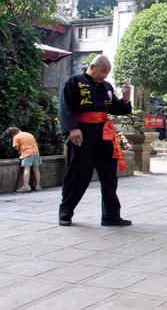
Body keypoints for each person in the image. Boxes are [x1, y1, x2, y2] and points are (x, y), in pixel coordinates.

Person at [57, 55, 133, 227]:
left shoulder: (106, 87)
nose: (105, 76)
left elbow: (116, 108)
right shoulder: (74, 82)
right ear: (92, 66)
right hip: (82, 134)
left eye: (107, 73)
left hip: (104, 136)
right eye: (103, 71)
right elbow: (64, 106)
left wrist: (126, 98)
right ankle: (65, 213)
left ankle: (111, 216)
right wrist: (72, 128)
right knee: (78, 176)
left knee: (109, 177)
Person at [4, 127, 42, 192]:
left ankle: (26, 186)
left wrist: (19, 150)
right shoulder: (29, 134)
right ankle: (37, 185)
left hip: (26, 153)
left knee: (26, 169)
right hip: (36, 152)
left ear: (12, 135)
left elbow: (16, 147)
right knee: (36, 169)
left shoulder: (16, 137)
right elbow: (35, 144)